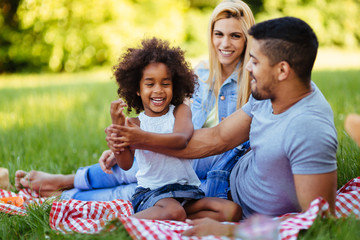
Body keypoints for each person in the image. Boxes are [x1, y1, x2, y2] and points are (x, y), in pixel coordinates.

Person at [107, 16, 338, 237]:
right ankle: (76, 189)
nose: (247, 68)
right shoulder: (272, 92)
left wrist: (231, 230)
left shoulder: (310, 130)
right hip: (225, 173)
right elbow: (218, 138)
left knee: (136, 191)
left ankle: (102, 219)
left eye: (255, 62)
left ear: (282, 71)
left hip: (222, 197)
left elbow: (318, 220)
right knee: (134, 179)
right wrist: (133, 140)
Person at [15, 0, 256, 201]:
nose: (225, 44)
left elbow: (222, 141)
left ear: (247, 38)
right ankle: (66, 182)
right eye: (219, 34)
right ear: (211, 35)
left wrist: (140, 141)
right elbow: (166, 120)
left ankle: (66, 195)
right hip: (180, 150)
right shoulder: (201, 74)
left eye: (235, 36)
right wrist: (126, 145)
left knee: (154, 189)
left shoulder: (254, 80)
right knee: (144, 168)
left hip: (219, 160)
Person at [105, 37, 241, 221]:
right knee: (173, 211)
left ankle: (172, 219)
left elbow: (180, 139)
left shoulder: (180, 111)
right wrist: (117, 129)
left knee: (231, 210)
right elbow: (126, 164)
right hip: (152, 195)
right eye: (150, 84)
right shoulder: (134, 124)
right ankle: (118, 225)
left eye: (165, 83)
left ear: (175, 85)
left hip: (186, 192)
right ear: (137, 89)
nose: (158, 90)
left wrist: (141, 138)